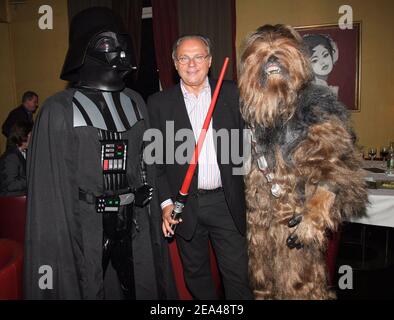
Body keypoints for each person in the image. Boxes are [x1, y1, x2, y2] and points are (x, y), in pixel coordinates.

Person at [24, 7, 177, 300]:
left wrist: (149, 191)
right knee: (90, 284)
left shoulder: (135, 102)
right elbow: (49, 191)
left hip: (133, 218)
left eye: (122, 42)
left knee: (137, 284)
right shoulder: (59, 109)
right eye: (107, 43)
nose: (118, 52)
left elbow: (147, 156)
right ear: (84, 49)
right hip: (86, 224)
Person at [147, 35, 253, 300]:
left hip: (225, 202)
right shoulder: (158, 103)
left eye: (198, 57)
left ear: (210, 61)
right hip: (184, 206)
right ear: (175, 63)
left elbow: (253, 140)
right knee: (196, 277)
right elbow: (155, 161)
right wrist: (166, 204)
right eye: (184, 57)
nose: (191, 64)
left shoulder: (232, 94)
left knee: (239, 276)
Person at [0, 121, 32, 196]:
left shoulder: (24, 152)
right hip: (12, 201)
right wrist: (32, 178)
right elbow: (10, 185)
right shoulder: (11, 157)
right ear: (23, 135)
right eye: (31, 134)